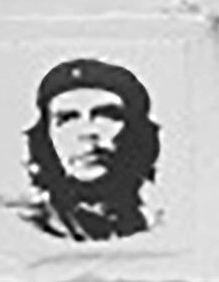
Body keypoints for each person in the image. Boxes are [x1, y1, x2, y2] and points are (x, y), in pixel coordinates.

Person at [18, 58, 161, 241]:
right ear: (45, 139)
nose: (87, 132)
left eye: (107, 116)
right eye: (68, 119)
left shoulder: (155, 223)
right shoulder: (28, 230)